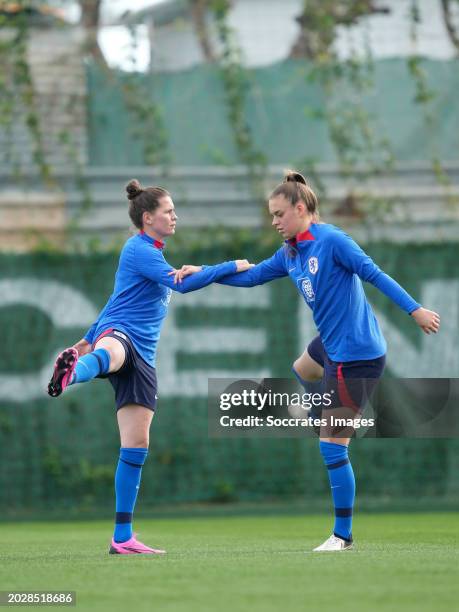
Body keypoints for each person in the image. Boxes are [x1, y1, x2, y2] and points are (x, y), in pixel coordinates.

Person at [174, 171, 440, 552]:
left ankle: (342, 536)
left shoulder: (332, 241)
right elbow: (252, 278)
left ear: (301, 209)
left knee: (332, 447)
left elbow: (374, 275)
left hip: (357, 355)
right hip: (331, 347)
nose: (274, 222)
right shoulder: (292, 252)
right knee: (303, 368)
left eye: (279, 214)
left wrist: (415, 310)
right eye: (271, 215)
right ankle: (327, 418)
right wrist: (205, 272)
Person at [47, 179, 252, 555]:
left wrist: (84, 338)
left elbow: (116, 297)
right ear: (147, 218)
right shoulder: (138, 248)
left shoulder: (151, 252)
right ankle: (72, 374)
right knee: (114, 353)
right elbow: (183, 286)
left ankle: (122, 538)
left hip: (142, 353)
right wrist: (230, 265)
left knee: (136, 445)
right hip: (123, 336)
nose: (175, 216)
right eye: (168, 211)